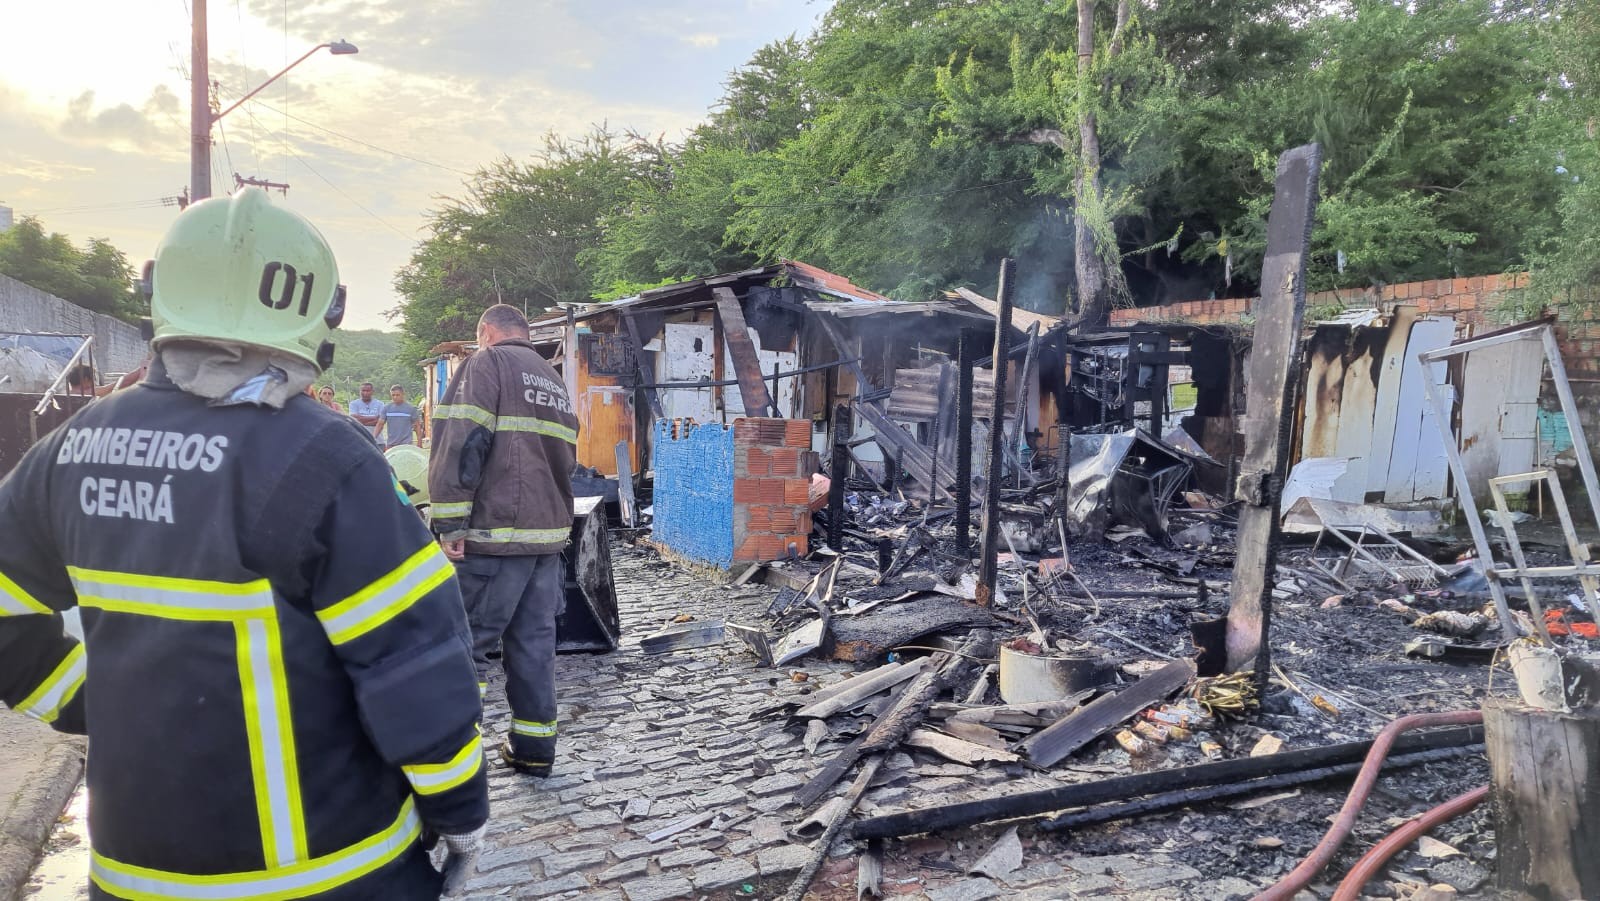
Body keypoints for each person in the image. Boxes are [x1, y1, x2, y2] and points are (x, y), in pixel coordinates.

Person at [0, 187, 489, 900]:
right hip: (333, 870)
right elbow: (417, 665)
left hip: (135, 874)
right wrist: (461, 814)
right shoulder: (328, 460)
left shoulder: (70, 449)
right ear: (315, 315)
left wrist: (94, 701)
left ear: (160, 297)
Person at [429, 304, 578, 778]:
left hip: (496, 538)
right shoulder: (552, 379)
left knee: (465, 647)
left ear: (486, 332)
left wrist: (450, 521)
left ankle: (449, 761)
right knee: (533, 646)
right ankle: (534, 751)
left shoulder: (486, 364)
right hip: (545, 540)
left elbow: (461, 440)